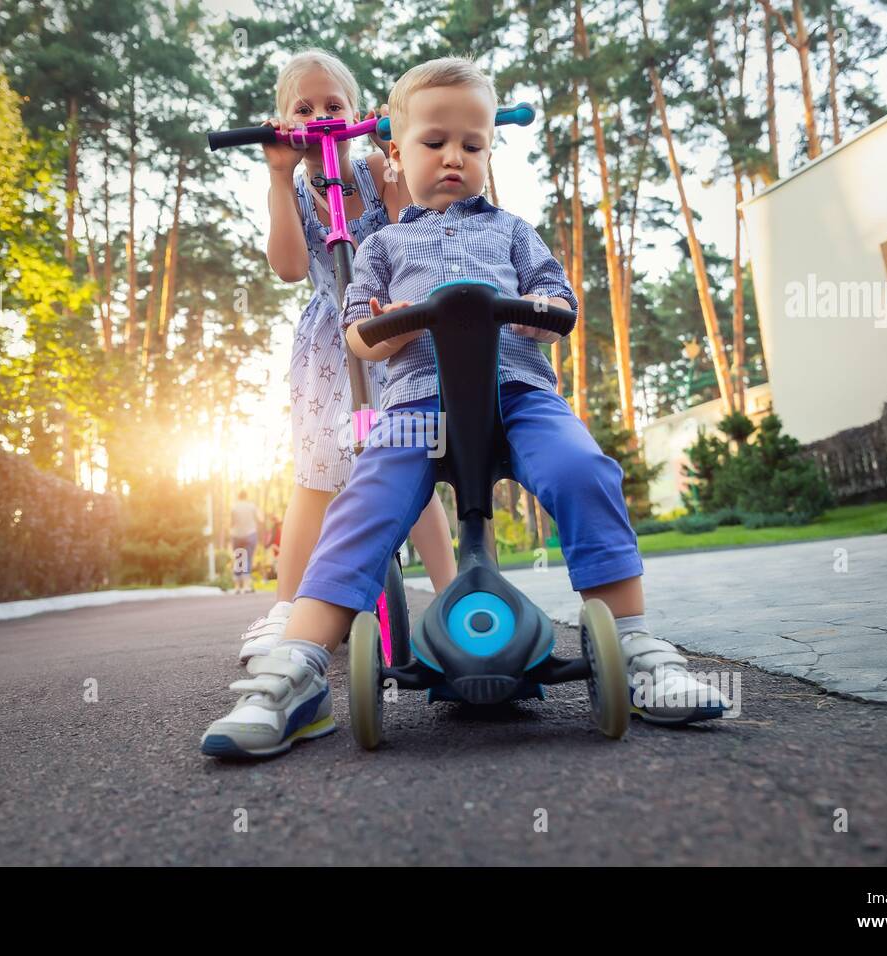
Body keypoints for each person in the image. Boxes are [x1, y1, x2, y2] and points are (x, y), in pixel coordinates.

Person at [201, 57, 732, 758]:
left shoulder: (512, 231)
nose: (454, 157)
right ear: (393, 152)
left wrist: (542, 316)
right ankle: (296, 669)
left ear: (488, 151)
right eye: (433, 143)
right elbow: (358, 330)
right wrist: (389, 325)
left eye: (472, 145)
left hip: (519, 397)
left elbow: (558, 300)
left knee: (582, 468)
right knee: (361, 500)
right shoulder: (383, 244)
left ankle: (635, 646)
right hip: (417, 407)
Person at [235, 50, 457, 662]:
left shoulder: (375, 171)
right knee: (315, 475)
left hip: (392, 330)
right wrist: (279, 178)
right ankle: (288, 609)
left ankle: (451, 598)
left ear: (358, 114)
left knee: (410, 455)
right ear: (283, 123)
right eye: (303, 109)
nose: (322, 118)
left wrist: (391, 163)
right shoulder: (295, 187)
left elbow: (406, 236)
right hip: (327, 343)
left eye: (334, 106)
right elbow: (286, 267)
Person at [229, 492, 263, 594]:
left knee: (238, 559)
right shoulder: (252, 506)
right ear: (246, 497)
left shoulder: (234, 507)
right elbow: (261, 519)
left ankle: (237, 587)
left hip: (237, 535)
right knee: (248, 559)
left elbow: (231, 523)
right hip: (250, 534)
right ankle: (246, 586)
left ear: (238, 497)